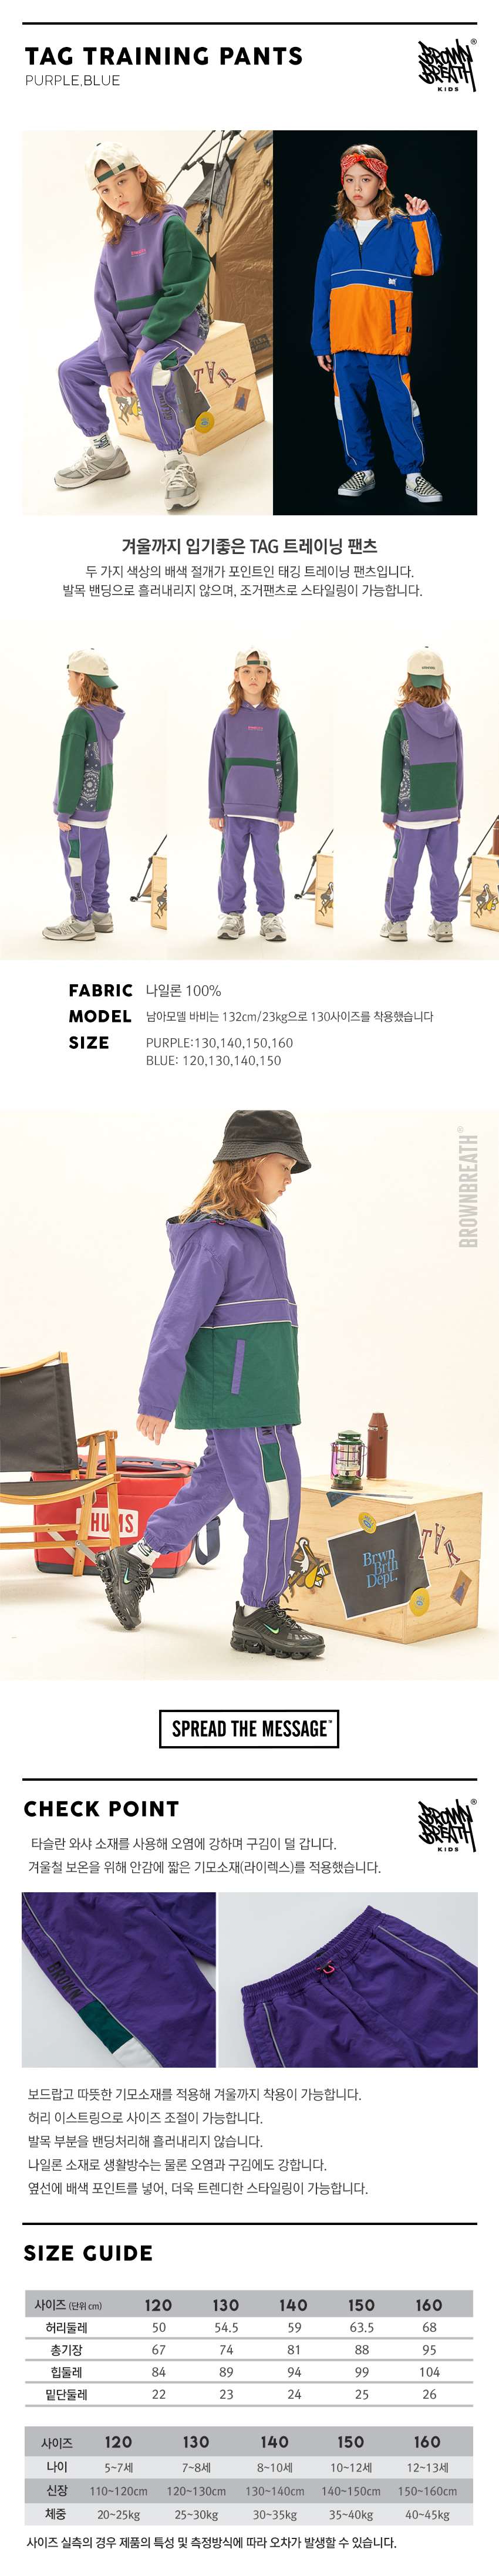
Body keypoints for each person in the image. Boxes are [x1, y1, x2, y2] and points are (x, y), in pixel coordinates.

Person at [96, 1110, 325, 1660]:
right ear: (251, 1165)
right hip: (245, 1402)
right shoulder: (215, 1241)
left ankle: (135, 1559)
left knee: (212, 1487)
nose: (289, 1177)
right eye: (283, 1165)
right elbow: (177, 1320)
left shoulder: (266, 1234)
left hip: (264, 1395)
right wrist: (157, 1397)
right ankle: (258, 1611)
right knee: (276, 1498)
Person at [55, 141, 211, 512]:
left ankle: (175, 461)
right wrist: (114, 362)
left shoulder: (171, 227)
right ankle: (104, 455)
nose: (116, 195)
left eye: (121, 182)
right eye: (105, 190)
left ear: (140, 175)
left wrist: (143, 349)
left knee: (148, 371)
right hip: (129, 338)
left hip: (179, 331)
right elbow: (105, 309)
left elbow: (179, 294)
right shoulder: (113, 244)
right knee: (71, 371)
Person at [311, 141, 442, 502]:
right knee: (348, 407)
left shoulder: (401, 226)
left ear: (382, 183)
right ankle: (362, 471)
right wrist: (321, 340)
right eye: (350, 180)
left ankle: (414, 475)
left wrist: (422, 220)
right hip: (345, 339)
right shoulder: (336, 233)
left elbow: (428, 265)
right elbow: (322, 289)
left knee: (399, 406)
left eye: (366, 179)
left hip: (387, 337)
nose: (357, 187)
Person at [209, 651, 297, 941]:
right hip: (233, 808)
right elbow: (217, 764)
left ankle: (271, 917)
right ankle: (233, 915)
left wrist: (288, 808)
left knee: (269, 865)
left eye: (260, 672)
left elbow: (291, 765)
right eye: (246, 671)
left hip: (268, 809)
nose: (253, 678)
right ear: (237, 676)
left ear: (269, 677)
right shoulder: (227, 718)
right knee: (231, 864)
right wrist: (215, 808)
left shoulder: (279, 718)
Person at [380, 646, 464, 944]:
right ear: (441, 681)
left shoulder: (399, 718)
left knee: (404, 868)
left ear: (410, 681)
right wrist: (456, 806)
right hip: (445, 810)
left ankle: (398, 924)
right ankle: (444, 924)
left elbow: (391, 769)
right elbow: (458, 766)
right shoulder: (452, 718)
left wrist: (389, 810)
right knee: (445, 869)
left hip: (411, 811)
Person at [43, 648, 124, 943]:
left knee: (77, 867)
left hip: (79, 810)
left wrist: (64, 811)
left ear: (82, 678)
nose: (68, 681)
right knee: (99, 863)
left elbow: (72, 769)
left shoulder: (80, 718)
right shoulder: (106, 717)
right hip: (100, 808)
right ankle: (101, 914)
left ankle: (81, 921)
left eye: (70, 675)